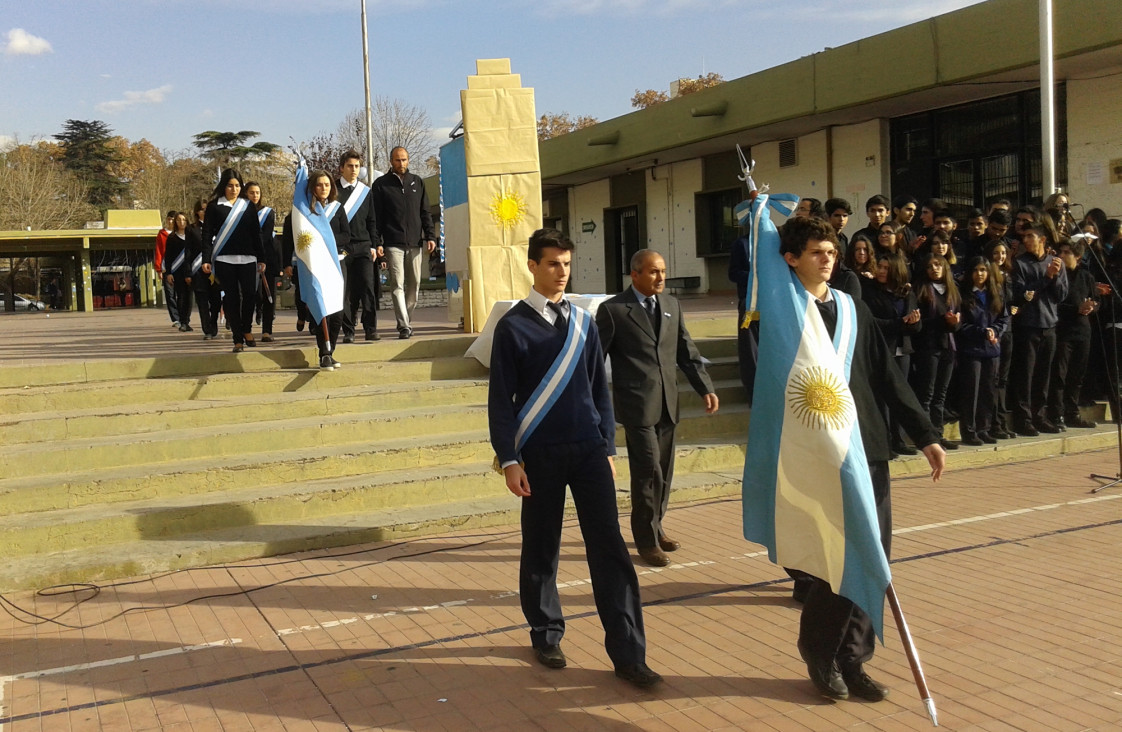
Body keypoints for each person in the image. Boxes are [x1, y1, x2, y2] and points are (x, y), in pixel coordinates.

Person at [743, 214, 944, 703]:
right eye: (816, 252)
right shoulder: (781, 315)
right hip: (816, 457)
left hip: (866, 450)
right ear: (791, 259)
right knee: (835, 559)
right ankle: (819, 651)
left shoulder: (853, 309)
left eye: (831, 251)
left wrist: (924, 434)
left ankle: (854, 659)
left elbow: (888, 378)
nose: (828, 259)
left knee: (873, 558)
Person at [487, 228, 660, 689]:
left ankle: (629, 653)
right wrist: (509, 459)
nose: (561, 273)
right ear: (532, 266)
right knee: (542, 546)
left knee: (610, 549)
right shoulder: (512, 326)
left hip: (588, 451)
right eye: (551, 264)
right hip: (538, 453)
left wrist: (607, 447)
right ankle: (546, 631)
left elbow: (597, 390)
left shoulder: (584, 323)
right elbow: (501, 399)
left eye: (566, 264)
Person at [596, 249, 718, 567]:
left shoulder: (671, 305)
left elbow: (686, 351)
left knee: (664, 471)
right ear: (635, 274)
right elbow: (594, 361)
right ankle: (646, 541)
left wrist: (704, 387)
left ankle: (657, 525)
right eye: (653, 272)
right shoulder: (613, 311)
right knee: (648, 471)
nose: (661, 278)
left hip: (668, 403)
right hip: (635, 404)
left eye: (663, 271)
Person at [282, 169, 350, 370]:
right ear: (312, 187)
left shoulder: (337, 209)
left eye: (327, 185)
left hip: (336, 264)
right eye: (319, 185)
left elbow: (346, 236)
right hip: (314, 267)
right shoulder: (302, 214)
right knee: (321, 310)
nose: (324, 188)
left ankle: (332, 350)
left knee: (337, 312)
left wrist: (324, 241)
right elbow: (291, 240)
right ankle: (324, 353)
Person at [1010, 223, 1069, 435]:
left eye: (1030, 236)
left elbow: (1061, 295)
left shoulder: (1055, 263)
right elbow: (1022, 293)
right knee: (1025, 375)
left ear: (1042, 239)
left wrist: (1053, 277)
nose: (1025, 240)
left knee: (1044, 375)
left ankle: (1040, 416)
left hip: (1049, 324)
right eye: (1024, 236)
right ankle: (1024, 419)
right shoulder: (1019, 264)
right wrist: (1046, 278)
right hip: (1028, 325)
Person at [861, 252, 922, 455]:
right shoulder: (869, 291)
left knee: (900, 395)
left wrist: (911, 323)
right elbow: (872, 322)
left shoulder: (906, 294)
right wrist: (900, 323)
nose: (881, 271)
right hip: (880, 350)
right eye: (880, 266)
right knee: (882, 397)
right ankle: (885, 441)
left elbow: (916, 326)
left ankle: (899, 440)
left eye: (887, 268)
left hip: (902, 350)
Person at [372, 147, 436, 339]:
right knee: (397, 284)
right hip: (392, 243)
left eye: (404, 160)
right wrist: (378, 242)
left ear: (408, 160)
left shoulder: (418, 182)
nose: (401, 164)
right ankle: (404, 326)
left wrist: (430, 236)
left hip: (415, 242)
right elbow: (376, 217)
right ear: (391, 161)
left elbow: (425, 212)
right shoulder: (381, 185)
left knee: (414, 284)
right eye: (398, 160)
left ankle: (407, 319)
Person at [202, 169, 265, 353]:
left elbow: (256, 234)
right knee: (231, 298)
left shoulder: (247, 206)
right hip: (224, 259)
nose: (234, 189)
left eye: (237, 185)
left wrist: (261, 258)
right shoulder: (214, 206)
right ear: (224, 186)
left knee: (250, 295)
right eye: (230, 185)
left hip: (248, 258)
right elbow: (206, 234)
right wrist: (206, 258)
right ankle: (237, 338)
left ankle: (247, 329)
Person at [910, 253, 961, 450]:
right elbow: (919, 323)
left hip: (948, 346)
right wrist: (943, 321)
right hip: (928, 347)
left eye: (938, 265)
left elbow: (958, 318)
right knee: (927, 394)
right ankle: (926, 437)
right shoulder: (921, 290)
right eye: (930, 266)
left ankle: (938, 434)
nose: (934, 269)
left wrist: (954, 323)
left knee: (941, 394)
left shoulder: (952, 290)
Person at [956, 257, 1008, 445]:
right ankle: (969, 431)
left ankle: (983, 428)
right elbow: (961, 324)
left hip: (991, 349)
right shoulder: (964, 295)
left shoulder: (996, 293)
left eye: (983, 270)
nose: (980, 274)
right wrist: (981, 332)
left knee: (988, 390)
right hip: (971, 349)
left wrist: (995, 331)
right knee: (971, 391)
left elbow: (1004, 318)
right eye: (976, 270)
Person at [1049, 238, 1099, 429]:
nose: (1062, 256)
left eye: (1067, 252)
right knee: (1060, 374)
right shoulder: (1057, 276)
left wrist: (1091, 307)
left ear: (1078, 256)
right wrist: (1076, 309)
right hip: (1063, 331)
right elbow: (1055, 304)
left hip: (1083, 331)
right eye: (1060, 252)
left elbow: (1095, 300)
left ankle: (1072, 412)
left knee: (1077, 375)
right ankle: (1056, 413)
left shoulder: (1086, 276)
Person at [337, 150, 383, 343]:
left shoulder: (365, 192)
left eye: (357, 166)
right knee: (346, 291)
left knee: (367, 288)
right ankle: (348, 331)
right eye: (350, 166)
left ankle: (370, 328)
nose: (354, 170)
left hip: (364, 245)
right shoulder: (333, 191)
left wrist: (374, 245)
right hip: (342, 247)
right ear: (342, 168)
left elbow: (372, 220)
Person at [245, 182, 278, 342]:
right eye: (251, 192)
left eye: (257, 192)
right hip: (247, 258)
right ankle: (247, 329)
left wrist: (259, 254)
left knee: (267, 294)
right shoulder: (240, 212)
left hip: (266, 258)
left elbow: (265, 236)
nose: (255, 195)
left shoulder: (268, 213)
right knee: (251, 295)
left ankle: (267, 331)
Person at [186, 199, 221, 340]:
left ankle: (213, 324)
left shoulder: (218, 227)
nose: (205, 212)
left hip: (215, 270)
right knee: (202, 302)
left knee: (216, 301)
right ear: (197, 212)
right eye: (202, 209)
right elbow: (187, 251)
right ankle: (207, 329)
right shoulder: (191, 229)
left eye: (207, 209)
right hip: (198, 271)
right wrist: (187, 272)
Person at [163, 213, 194, 332]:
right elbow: (168, 256)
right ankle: (182, 321)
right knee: (181, 296)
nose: (181, 222)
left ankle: (187, 320)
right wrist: (169, 273)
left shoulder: (191, 235)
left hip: (189, 271)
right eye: (179, 220)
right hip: (177, 272)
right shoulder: (172, 238)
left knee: (189, 297)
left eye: (183, 220)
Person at [154, 210, 180, 327]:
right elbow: (158, 251)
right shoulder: (162, 234)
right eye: (169, 219)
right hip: (166, 268)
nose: (170, 221)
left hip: (180, 267)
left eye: (173, 219)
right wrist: (159, 269)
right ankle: (175, 318)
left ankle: (183, 316)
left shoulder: (181, 233)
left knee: (182, 293)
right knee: (170, 294)